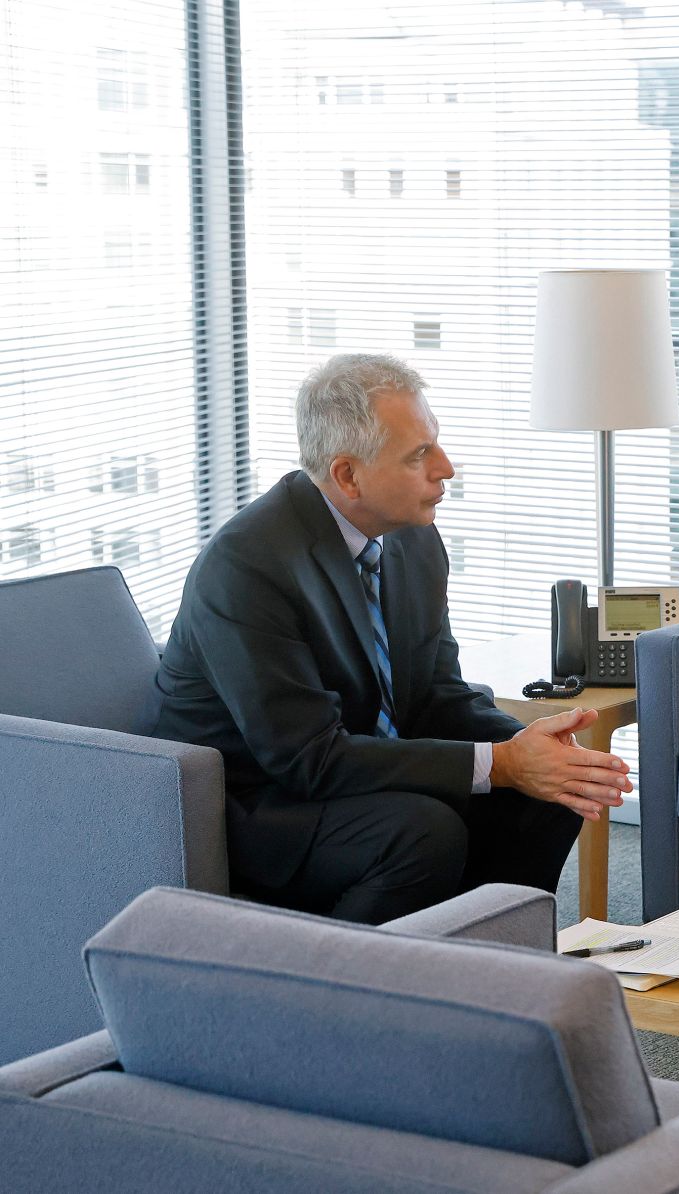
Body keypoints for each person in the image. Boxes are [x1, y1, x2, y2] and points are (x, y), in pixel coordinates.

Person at [153, 353, 631, 924]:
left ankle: (490, 971)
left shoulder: (412, 541)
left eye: (436, 444)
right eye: (419, 456)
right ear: (348, 474)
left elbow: (437, 695)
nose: (446, 468)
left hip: (354, 773)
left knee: (547, 796)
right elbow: (310, 760)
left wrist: (534, 753)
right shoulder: (246, 566)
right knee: (421, 833)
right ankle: (358, 996)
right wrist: (502, 763)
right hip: (257, 806)